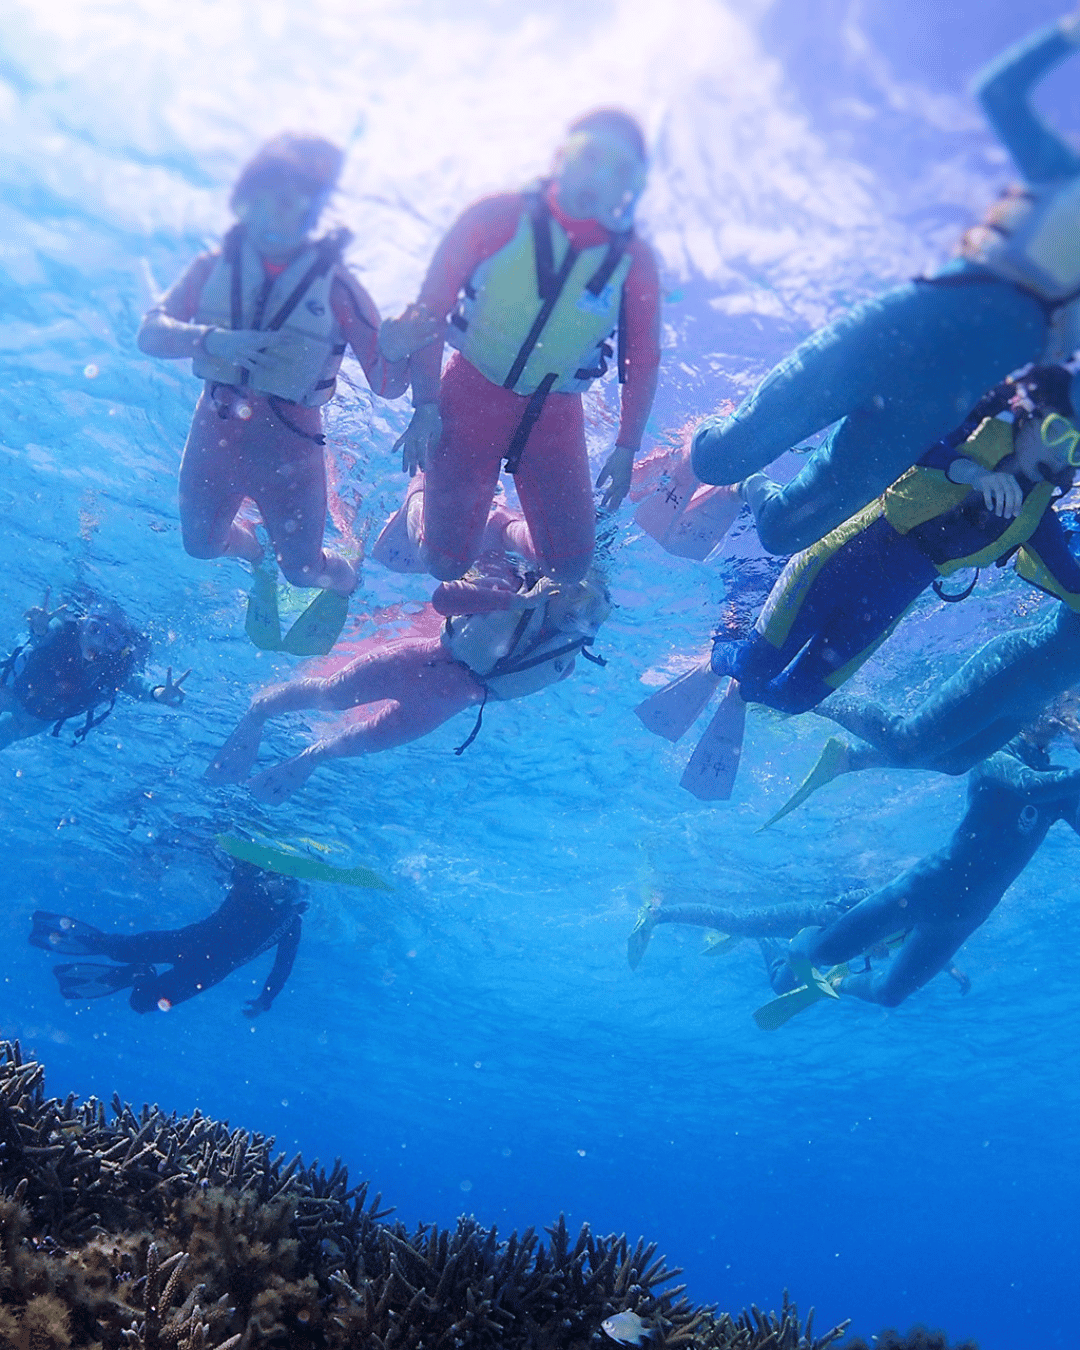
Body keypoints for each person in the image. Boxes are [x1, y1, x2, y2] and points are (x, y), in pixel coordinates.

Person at [691, 13, 1080, 556]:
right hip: (897, 328)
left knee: (783, 533)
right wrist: (1066, 33)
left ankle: (752, 487)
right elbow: (998, 92)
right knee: (712, 457)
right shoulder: (1064, 175)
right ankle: (711, 438)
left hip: (932, 405)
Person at [137, 132, 438, 654]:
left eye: (304, 201)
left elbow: (387, 386)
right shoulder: (212, 268)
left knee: (302, 573)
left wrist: (400, 347)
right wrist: (210, 339)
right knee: (200, 546)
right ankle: (256, 560)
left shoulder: (337, 285)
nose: (291, 212)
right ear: (245, 201)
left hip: (292, 448)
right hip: (216, 429)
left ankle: (346, 576)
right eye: (277, 197)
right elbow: (149, 335)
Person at [632, 715, 1079, 1020]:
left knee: (888, 994)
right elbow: (1033, 786)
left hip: (960, 920)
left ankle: (840, 979)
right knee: (800, 954)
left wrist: (947, 965)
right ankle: (689, 919)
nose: (1057, 721)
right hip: (906, 894)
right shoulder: (997, 759)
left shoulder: (1058, 788)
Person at [378, 109, 661, 584]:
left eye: (620, 170)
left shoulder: (634, 262)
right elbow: (432, 308)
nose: (599, 176)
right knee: (443, 564)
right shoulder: (498, 217)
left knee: (568, 569)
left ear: (631, 188)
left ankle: (499, 524)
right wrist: (425, 403)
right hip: (470, 393)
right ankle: (418, 496)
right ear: (561, 157)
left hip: (555, 414)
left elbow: (644, 358)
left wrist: (627, 446)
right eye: (590, 155)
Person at [710, 365, 1080, 715]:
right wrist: (970, 471)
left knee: (793, 698)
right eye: (1057, 433)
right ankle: (747, 491)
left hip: (888, 602)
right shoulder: (974, 428)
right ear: (1033, 415)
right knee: (752, 666)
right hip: (843, 555)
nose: (1061, 457)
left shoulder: (1037, 519)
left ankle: (744, 682)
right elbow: (904, 436)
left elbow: (1072, 585)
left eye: (1077, 450)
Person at [205, 525, 612, 804]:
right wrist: (515, 603)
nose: (579, 618)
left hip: (447, 705)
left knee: (355, 741)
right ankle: (257, 712)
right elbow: (444, 601)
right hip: (419, 661)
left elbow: (542, 669)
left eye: (588, 615)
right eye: (574, 601)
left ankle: (308, 758)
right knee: (329, 694)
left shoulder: (572, 645)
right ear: (554, 582)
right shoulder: (509, 584)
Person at [30, 860, 305, 1016]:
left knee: (141, 1003)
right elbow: (242, 871)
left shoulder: (289, 922)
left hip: (207, 968)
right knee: (116, 949)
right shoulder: (256, 893)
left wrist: (265, 1000)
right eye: (281, 883)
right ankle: (106, 950)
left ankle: (138, 974)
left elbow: (283, 966)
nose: (285, 891)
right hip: (190, 944)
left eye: (290, 889)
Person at [0, 591, 187, 750]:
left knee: (8, 728)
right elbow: (44, 634)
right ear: (82, 623)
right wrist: (39, 628)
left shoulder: (113, 668)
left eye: (111, 640)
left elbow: (134, 683)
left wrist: (157, 693)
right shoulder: (61, 631)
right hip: (9, 687)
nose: (98, 642)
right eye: (95, 629)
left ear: (120, 649)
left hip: (38, 716)